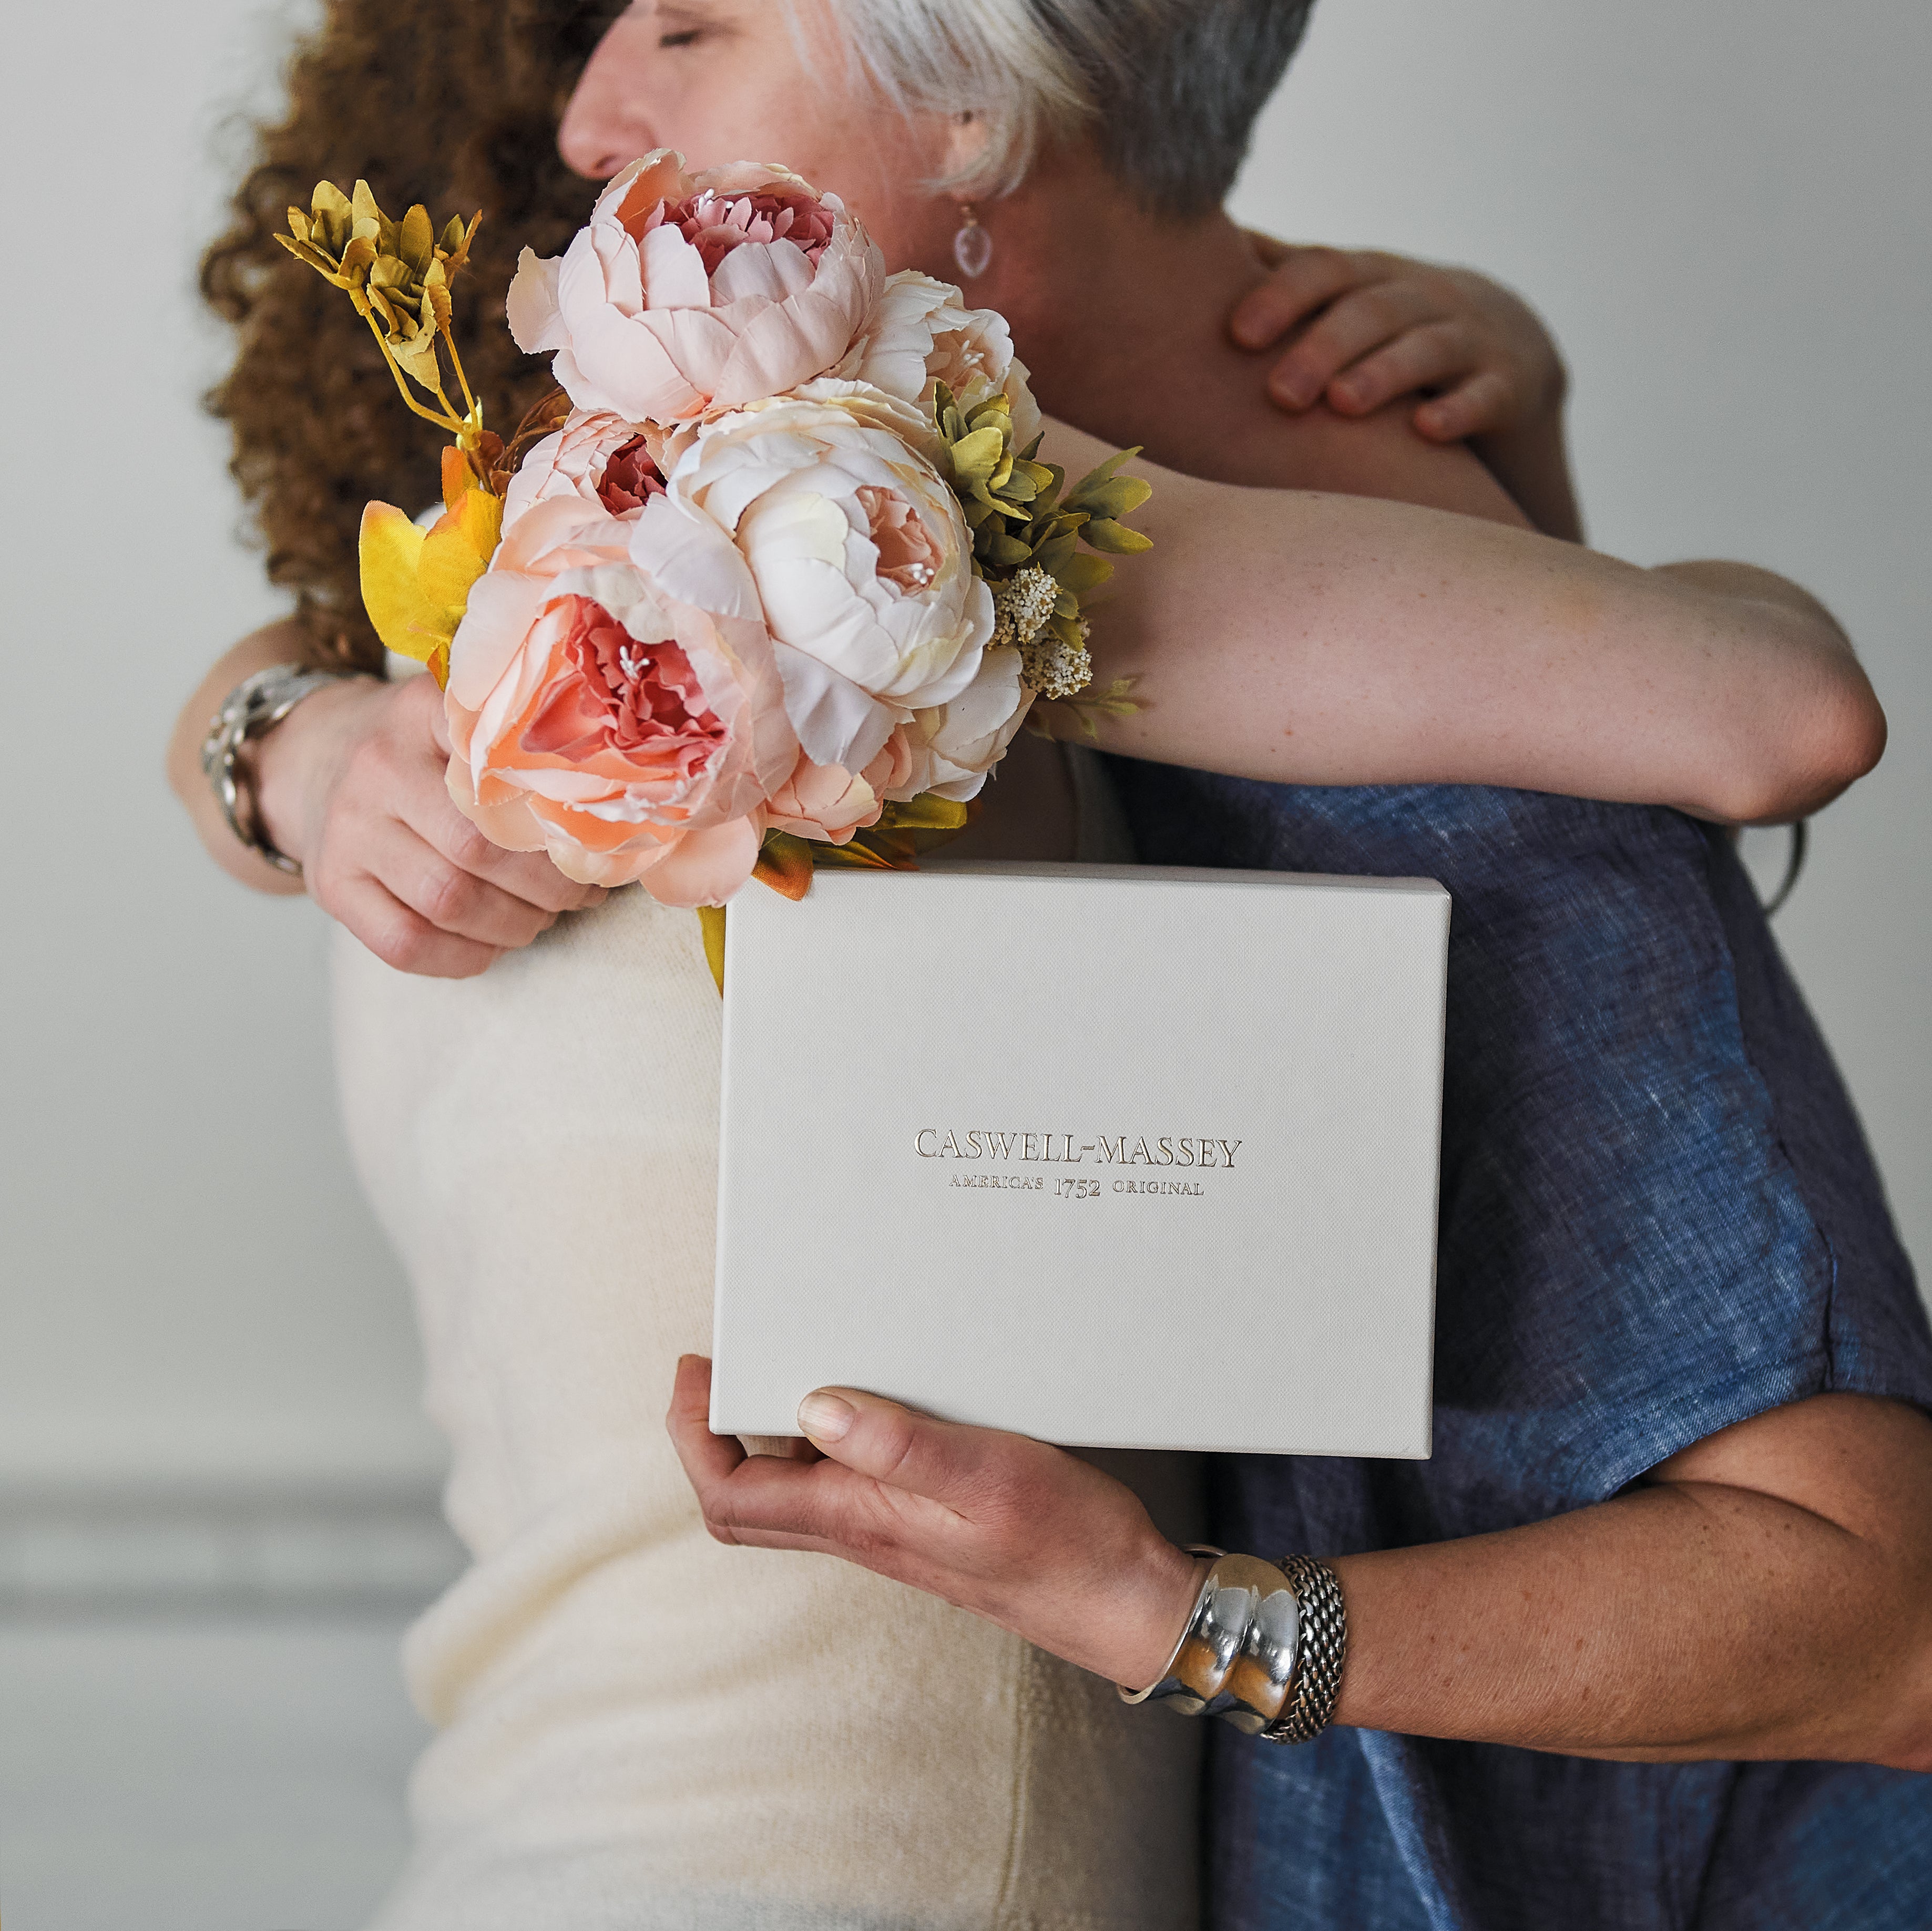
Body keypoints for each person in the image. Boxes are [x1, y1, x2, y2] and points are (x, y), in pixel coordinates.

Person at [169, 2, 1905, 1925]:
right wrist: (293, 741)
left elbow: (1778, 718)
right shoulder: (921, 562)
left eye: (689, 26)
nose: (593, 118)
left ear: (979, 101)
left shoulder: (1048, 549)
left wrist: (1176, 1616)